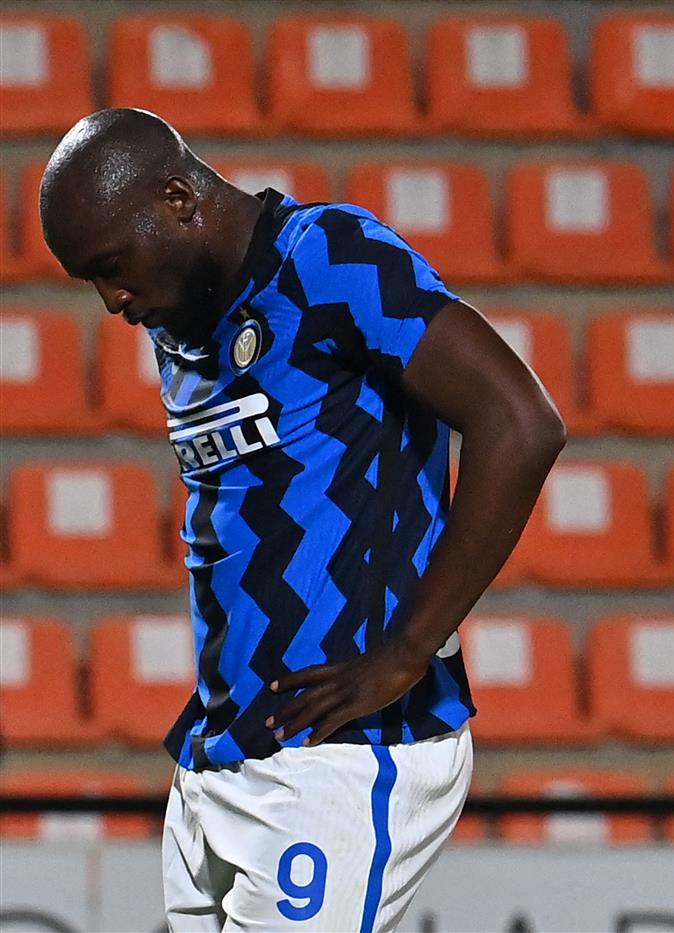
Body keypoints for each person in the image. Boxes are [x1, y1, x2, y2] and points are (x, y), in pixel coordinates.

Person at [40, 108, 566, 931]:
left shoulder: (326, 260)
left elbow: (522, 420)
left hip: (343, 755)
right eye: (91, 281)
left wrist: (405, 651)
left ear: (179, 198)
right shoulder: (182, 318)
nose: (112, 300)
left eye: (112, 267)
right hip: (220, 755)